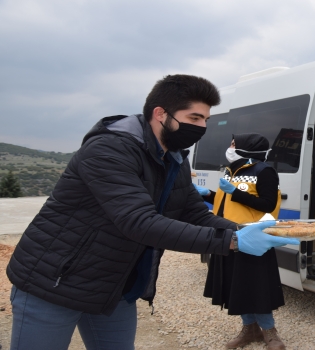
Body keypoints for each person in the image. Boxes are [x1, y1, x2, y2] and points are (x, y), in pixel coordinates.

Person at [6, 74, 298, 350]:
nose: (202, 127)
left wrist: (245, 231)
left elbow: (193, 212)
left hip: (116, 285)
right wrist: (233, 242)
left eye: (206, 119)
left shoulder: (174, 158)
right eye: (194, 118)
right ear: (161, 114)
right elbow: (138, 222)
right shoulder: (110, 149)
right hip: (56, 282)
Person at [198, 134, 286, 350]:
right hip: (227, 235)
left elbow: (267, 204)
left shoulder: (264, 171)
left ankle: (269, 331)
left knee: (257, 285)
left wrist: (234, 192)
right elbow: (225, 200)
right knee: (237, 284)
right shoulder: (230, 170)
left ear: (247, 149)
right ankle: (249, 328)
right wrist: (207, 194)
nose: (230, 147)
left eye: (234, 145)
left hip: (251, 237)